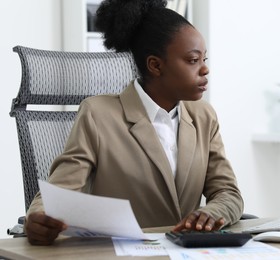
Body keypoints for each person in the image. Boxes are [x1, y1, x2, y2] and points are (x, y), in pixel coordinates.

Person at [25, 0, 244, 246]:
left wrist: (212, 213)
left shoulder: (203, 116)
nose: (205, 70)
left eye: (205, 59)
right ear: (156, 65)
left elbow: (227, 193)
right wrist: (39, 217)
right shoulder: (98, 114)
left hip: (186, 252)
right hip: (119, 252)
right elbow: (61, 190)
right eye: (193, 60)